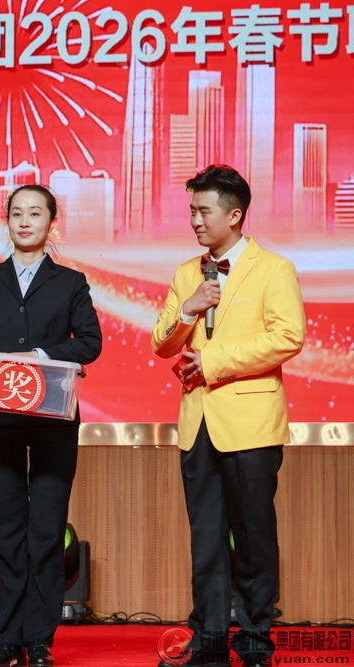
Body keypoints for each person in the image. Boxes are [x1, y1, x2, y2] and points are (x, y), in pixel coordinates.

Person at [0, 185, 102, 667]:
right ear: (7, 221)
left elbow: (89, 342)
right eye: (17, 213)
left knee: (46, 534)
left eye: (36, 213)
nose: (25, 221)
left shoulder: (71, 282)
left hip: (54, 420)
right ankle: (7, 640)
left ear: (52, 223)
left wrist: (39, 356)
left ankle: (40, 640)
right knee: (9, 534)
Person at [151, 165, 305, 667]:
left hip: (251, 423)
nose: (195, 220)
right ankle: (211, 637)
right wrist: (189, 309)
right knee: (207, 537)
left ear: (234, 215)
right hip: (197, 423)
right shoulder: (186, 274)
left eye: (204, 211)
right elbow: (161, 343)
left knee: (254, 534)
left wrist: (213, 361)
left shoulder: (274, 268)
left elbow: (288, 337)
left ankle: (256, 636)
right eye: (192, 211)